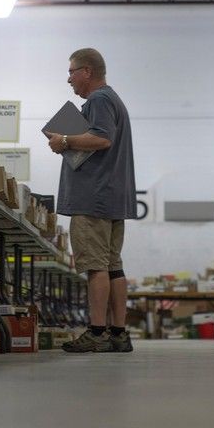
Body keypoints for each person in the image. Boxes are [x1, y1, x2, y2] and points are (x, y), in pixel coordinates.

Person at [46, 48, 137, 353]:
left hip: (93, 198)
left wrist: (65, 141)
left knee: (96, 267)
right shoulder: (112, 100)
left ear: (86, 71)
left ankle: (97, 331)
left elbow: (102, 138)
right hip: (111, 197)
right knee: (113, 266)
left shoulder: (98, 100)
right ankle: (118, 333)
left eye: (71, 71)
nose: (68, 78)